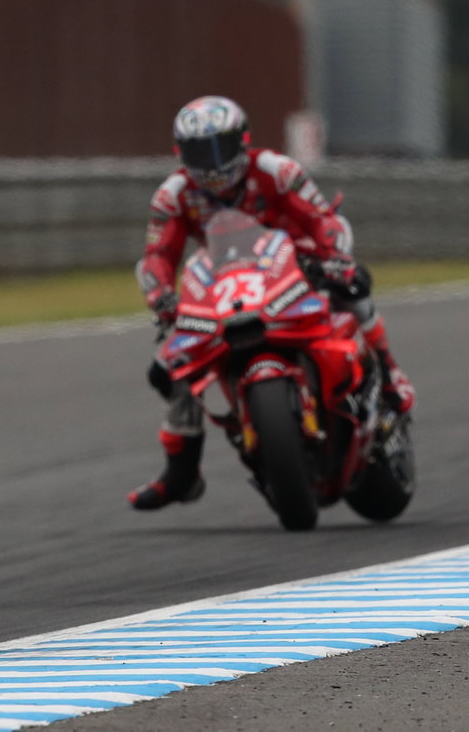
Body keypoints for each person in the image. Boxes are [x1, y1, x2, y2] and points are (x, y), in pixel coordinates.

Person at [127, 95, 417, 510]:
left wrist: (336, 260)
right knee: (170, 363)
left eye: (219, 148)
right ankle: (182, 471)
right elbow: (158, 256)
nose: (210, 163)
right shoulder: (172, 196)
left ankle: (390, 375)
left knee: (354, 292)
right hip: (225, 282)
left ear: (242, 141)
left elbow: (323, 218)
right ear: (180, 154)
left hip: (297, 264)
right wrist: (162, 297)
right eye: (197, 152)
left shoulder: (276, 171)